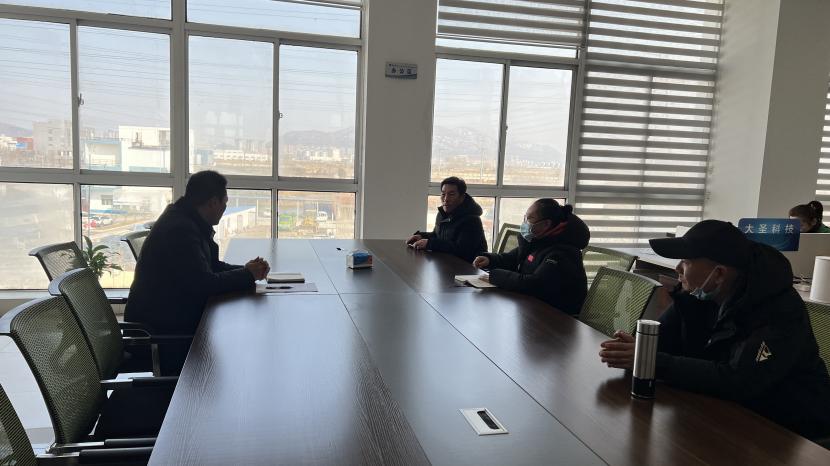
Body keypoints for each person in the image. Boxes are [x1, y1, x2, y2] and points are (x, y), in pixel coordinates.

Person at [598, 220, 830, 440]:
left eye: (686, 261)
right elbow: (660, 344)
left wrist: (650, 360)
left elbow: (738, 380)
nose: (678, 268)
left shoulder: (779, 310)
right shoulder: (697, 295)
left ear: (718, 274)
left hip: (790, 430)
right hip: (720, 412)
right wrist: (637, 350)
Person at [125, 170, 270, 375]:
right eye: (224, 203)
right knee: (242, 351)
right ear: (212, 202)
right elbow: (204, 284)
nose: (224, 209)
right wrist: (247, 275)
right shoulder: (180, 231)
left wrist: (246, 270)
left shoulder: (187, 220)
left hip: (172, 316)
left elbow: (209, 267)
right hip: (165, 333)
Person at [472, 199, 590, 314]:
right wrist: (489, 260)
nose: (525, 223)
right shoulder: (538, 240)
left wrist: (496, 276)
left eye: (530, 218)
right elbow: (511, 258)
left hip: (560, 317)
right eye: (525, 217)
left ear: (546, 224)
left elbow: (535, 284)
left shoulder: (563, 252)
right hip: (534, 307)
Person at [406, 176, 488, 262]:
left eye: (451, 194)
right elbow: (437, 235)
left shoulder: (472, 220)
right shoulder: (442, 214)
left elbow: (462, 251)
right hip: (446, 263)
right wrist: (421, 236)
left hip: (468, 267)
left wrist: (429, 243)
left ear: (462, 197)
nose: (446, 199)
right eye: (443, 194)